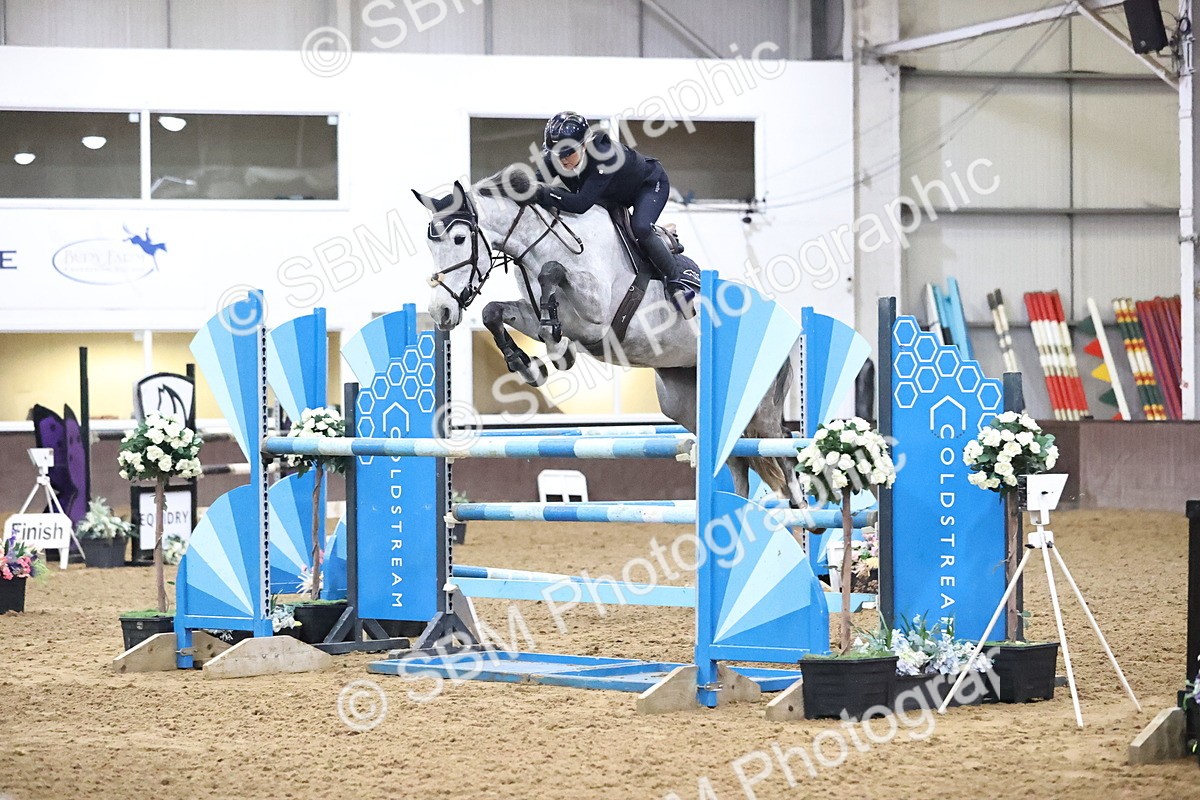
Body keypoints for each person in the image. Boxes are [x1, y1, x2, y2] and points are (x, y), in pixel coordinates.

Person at [531, 111, 698, 312]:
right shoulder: (557, 156)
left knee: (641, 228)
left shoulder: (605, 156)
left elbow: (580, 203)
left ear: (584, 144)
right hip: (612, 194)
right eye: (557, 153)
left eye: (568, 152)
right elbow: (534, 184)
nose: (562, 159)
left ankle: (675, 285)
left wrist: (544, 193)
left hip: (649, 185)